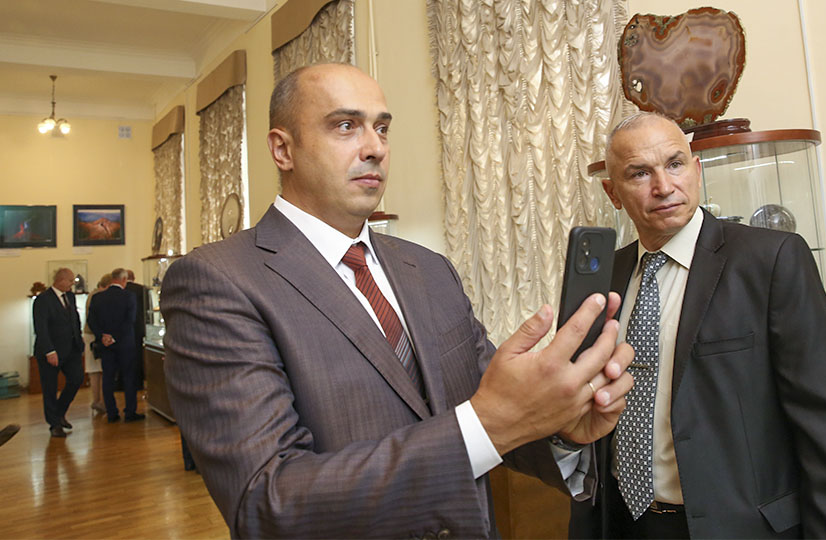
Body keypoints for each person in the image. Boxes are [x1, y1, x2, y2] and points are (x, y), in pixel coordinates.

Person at [160, 63, 635, 538]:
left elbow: (495, 414)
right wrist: (488, 425)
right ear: (283, 149)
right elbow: (268, 502)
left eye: (382, 128)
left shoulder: (430, 269)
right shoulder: (218, 281)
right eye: (346, 125)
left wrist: (561, 429)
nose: (375, 148)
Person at [568, 111, 826, 538]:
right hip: (626, 523)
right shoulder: (606, 278)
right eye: (640, 173)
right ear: (612, 192)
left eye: (675, 164)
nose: (664, 186)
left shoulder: (771, 260)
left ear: (696, 170)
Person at [32, 267, 84, 438]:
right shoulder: (43, 300)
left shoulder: (70, 296)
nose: (72, 284)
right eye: (70, 280)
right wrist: (49, 351)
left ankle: (59, 412)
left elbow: (74, 320)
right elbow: (41, 328)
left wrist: (79, 341)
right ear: (60, 280)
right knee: (50, 388)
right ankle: (54, 424)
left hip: (71, 349)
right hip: (51, 351)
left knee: (76, 379)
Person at [88, 268, 143, 423]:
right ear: (124, 280)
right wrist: (115, 337)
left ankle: (112, 413)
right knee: (129, 378)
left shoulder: (98, 297)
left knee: (108, 378)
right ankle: (130, 412)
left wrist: (103, 336)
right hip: (125, 344)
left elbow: (91, 320)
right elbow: (130, 320)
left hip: (106, 345)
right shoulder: (129, 296)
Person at [83, 273, 111, 413]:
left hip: (91, 335)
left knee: (95, 369)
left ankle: (98, 400)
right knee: (98, 369)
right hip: (95, 336)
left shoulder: (92, 295)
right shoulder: (97, 296)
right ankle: (100, 401)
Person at [124, 269, 147, 390]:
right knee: (138, 356)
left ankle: (125, 383)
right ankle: (138, 382)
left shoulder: (122, 290)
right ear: (134, 277)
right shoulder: (142, 289)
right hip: (139, 327)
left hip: (124, 329)